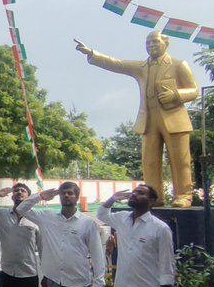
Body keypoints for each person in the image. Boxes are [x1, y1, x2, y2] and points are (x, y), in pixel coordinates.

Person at [76, 32, 199, 207]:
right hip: (149, 120)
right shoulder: (142, 67)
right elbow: (117, 63)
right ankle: (154, 197)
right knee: (149, 162)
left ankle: (183, 195)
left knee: (179, 161)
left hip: (174, 119)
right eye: (147, 43)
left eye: (155, 42)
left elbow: (194, 90)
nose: (151, 46)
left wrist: (175, 94)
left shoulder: (179, 65)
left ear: (166, 43)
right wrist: (92, 54)